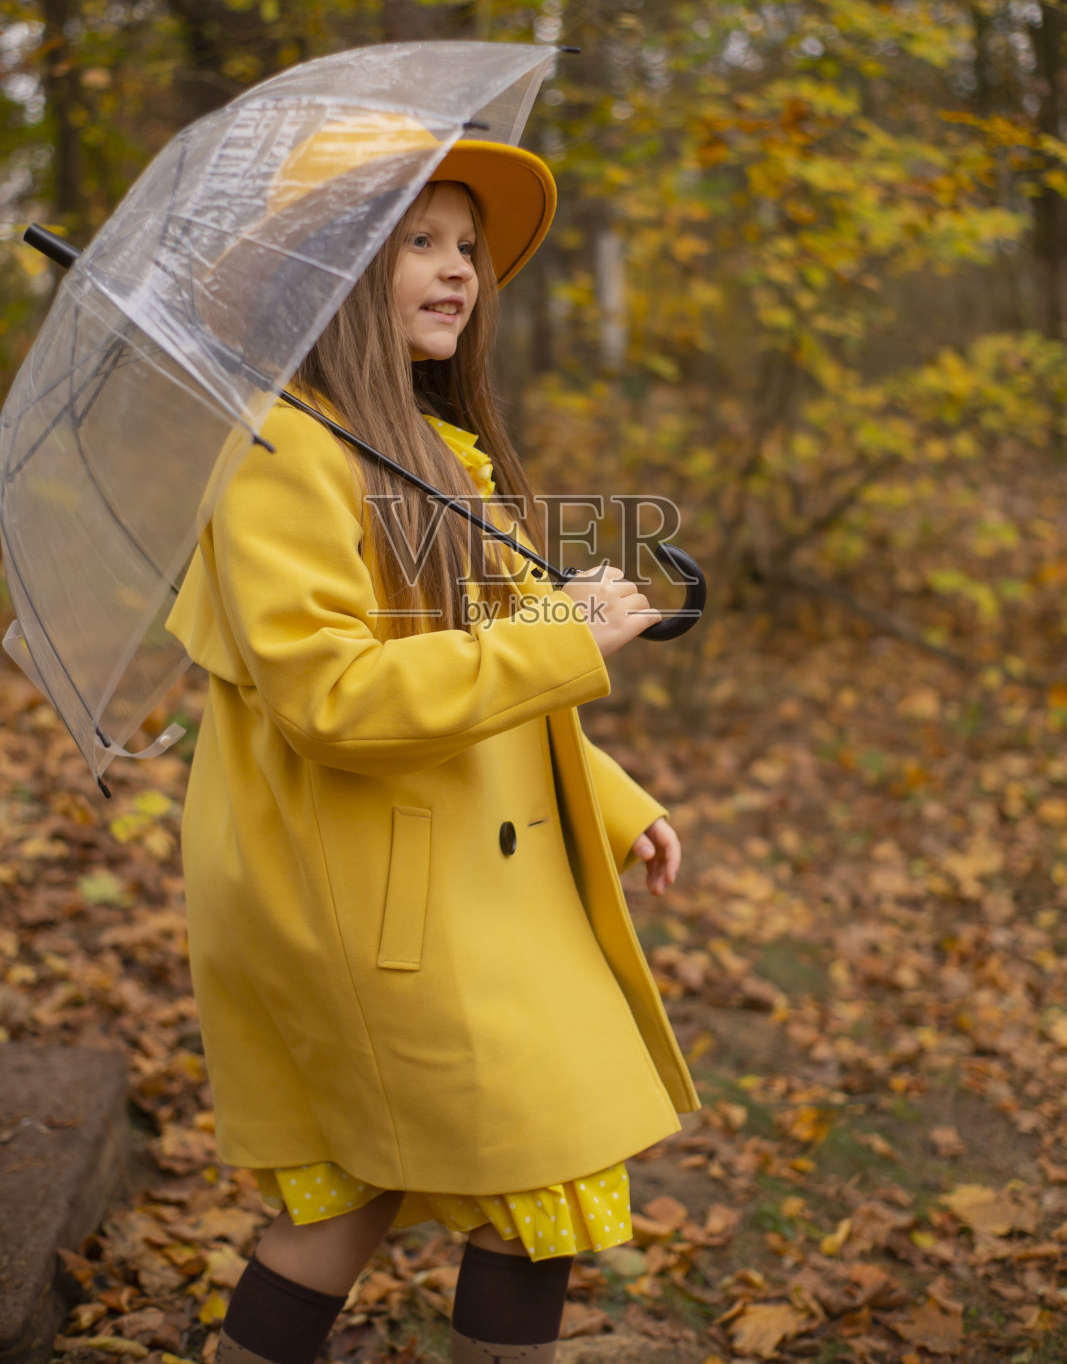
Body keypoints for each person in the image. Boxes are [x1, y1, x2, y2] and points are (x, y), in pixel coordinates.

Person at [165, 133, 699, 1364]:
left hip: (445, 873)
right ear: (336, 269)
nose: (459, 270)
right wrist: (566, 633)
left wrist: (610, 800)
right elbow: (336, 696)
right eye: (418, 241)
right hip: (372, 897)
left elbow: (482, 659)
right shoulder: (279, 452)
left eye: (465, 247)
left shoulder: (418, 442)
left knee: (357, 1203)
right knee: (529, 1180)